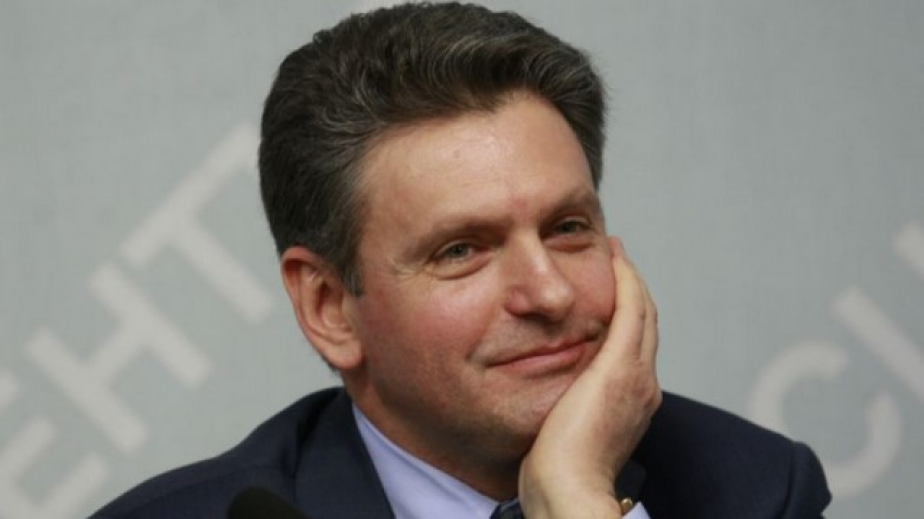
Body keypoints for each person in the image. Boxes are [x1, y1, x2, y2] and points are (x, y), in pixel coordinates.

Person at [94, 2, 830, 518]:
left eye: (568, 228)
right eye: (461, 250)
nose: (549, 292)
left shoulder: (753, 489)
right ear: (328, 306)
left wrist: (576, 500)